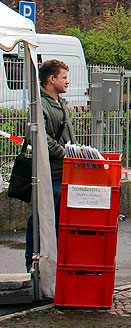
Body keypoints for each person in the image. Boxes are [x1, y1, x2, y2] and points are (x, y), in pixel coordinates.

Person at [24, 60, 76, 270]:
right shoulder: (41, 105)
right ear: (51, 79)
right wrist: (64, 152)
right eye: (63, 77)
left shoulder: (60, 104)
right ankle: (33, 262)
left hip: (63, 173)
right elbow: (37, 136)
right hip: (49, 173)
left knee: (57, 222)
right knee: (39, 220)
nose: (67, 81)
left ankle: (52, 263)